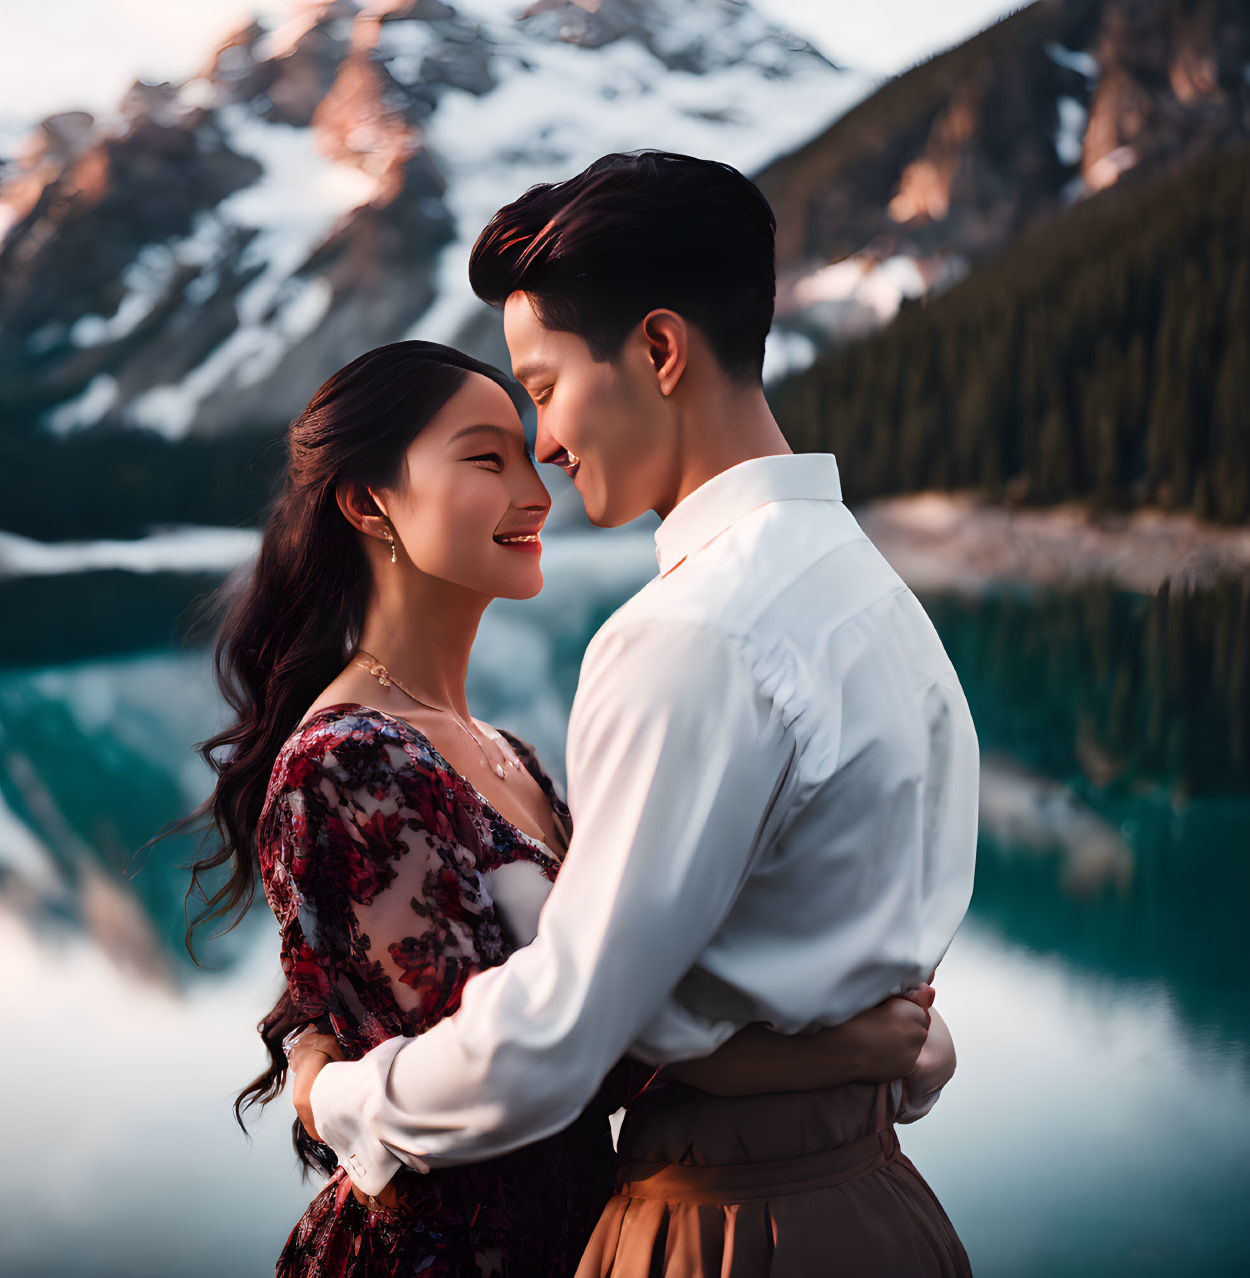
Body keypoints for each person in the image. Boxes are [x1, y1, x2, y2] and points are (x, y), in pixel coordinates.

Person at [287, 153, 979, 1277]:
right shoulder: (866, 590)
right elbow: (883, 997)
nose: (545, 452)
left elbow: (557, 1039)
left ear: (657, 351)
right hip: (876, 1198)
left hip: (727, 1222)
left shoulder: (692, 631)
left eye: (546, 390)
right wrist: (882, 1052)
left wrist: (339, 1099)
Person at [159, 338, 953, 1276]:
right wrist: (836, 1046)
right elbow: (538, 1057)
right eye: (485, 459)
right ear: (368, 502)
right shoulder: (348, 763)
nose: (537, 492)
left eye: (531, 456)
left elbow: (614, 997)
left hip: (589, 1231)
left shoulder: (505, 753)